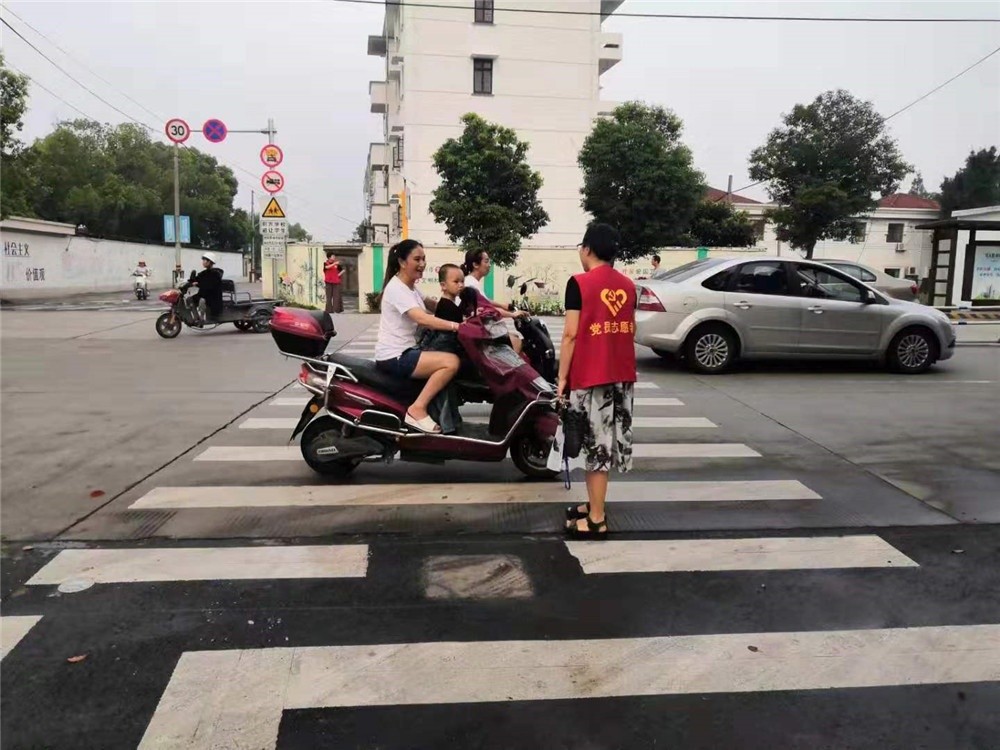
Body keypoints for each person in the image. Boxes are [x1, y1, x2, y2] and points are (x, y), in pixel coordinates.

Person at [557, 223, 637, 539]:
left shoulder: (579, 283)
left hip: (592, 377)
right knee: (601, 445)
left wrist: (562, 378)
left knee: (597, 448)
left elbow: (570, 335)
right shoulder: (629, 286)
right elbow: (630, 330)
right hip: (621, 377)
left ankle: (596, 520)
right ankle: (593, 505)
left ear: (587, 248)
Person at [374, 240, 463, 434]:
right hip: (395, 356)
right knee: (451, 362)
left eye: (424, 259)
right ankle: (417, 409)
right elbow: (422, 318)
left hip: (407, 350)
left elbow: (431, 304)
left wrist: (462, 313)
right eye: (417, 259)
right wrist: (457, 326)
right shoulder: (397, 289)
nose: (422, 264)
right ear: (402, 262)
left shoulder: (410, 287)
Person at [461, 249, 524, 354]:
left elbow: (485, 301)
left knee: (514, 336)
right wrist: (513, 314)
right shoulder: (471, 284)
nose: (489, 265)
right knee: (516, 342)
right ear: (475, 265)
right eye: (486, 261)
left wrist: (503, 305)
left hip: (476, 328)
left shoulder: (471, 281)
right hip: (474, 331)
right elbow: (488, 309)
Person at [189, 252, 224, 324]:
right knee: (190, 299)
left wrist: (198, 284)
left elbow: (209, 286)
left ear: (209, 262)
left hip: (213, 298)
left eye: (204, 260)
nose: (203, 262)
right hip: (205, 295)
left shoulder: (215, 274)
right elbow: (197, 279)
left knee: (201, 300)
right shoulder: (204, 273)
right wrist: (191, 280)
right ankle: (196, 317)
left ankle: (202, 318)